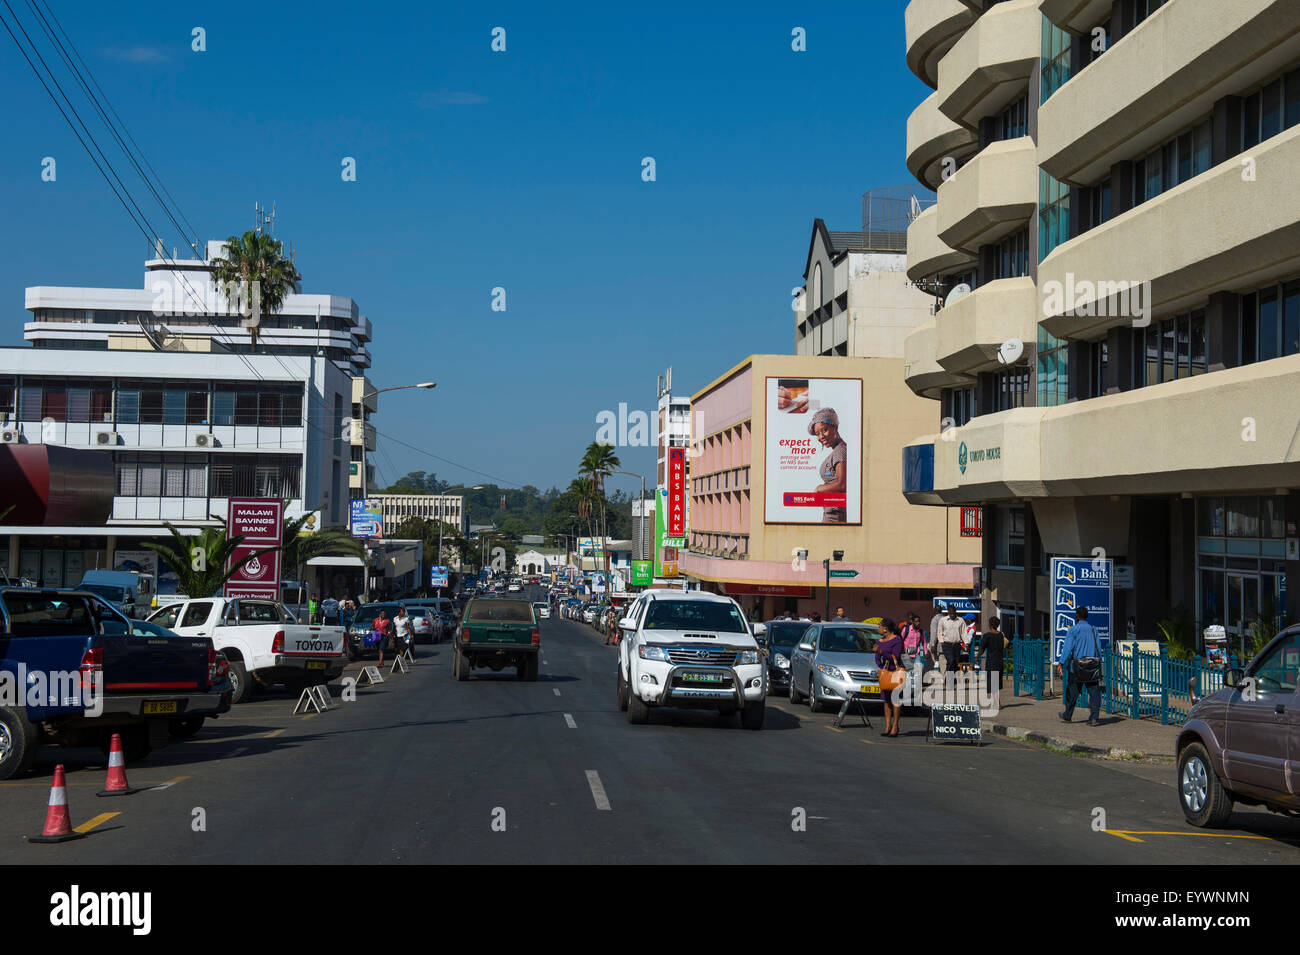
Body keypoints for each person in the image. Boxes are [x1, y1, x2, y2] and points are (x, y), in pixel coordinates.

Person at [1058, 606, 1103, 725]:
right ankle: (1094, 717)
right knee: (1094, 692)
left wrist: (1061, 662)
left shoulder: (1073, 630)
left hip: (1077, 666)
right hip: (1092, 666)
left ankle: (1068, 715)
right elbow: (1099, 649)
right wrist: (1099, 665)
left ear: (1077, 616)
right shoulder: (1094, 629)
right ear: (1087, 616)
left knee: (1072, 691)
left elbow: (1068, 648)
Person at [808, 407, 848, 524]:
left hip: (835, 515)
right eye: (817, 434)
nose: (821, 437)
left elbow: (842, 485)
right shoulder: (838, 451)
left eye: (824, 430)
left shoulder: (840, 450)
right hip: (831, 512)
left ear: (835, 427)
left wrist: (819, 489)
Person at [876, 618, 905, 737]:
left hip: (896, 671)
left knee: (895, 699)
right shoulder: (880, 641)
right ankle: (887, 725)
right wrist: (881, 666)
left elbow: (896, 656)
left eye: (879, 627)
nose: (878, 629)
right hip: (886, 672)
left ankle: (895, 726)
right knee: (886, 699)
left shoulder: (897, 640)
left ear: (885, 629)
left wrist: (881, 651)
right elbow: (877, 658)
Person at [980, 616, 1007, 702]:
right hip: (999, 661)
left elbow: (982, 649)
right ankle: (996, 700)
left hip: (991, 662)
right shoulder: (1001, 635)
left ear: (990, 625)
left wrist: (977, 657)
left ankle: (996, 701)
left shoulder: (987, 636)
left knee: (992, 683)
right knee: (996, 682)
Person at [935, 604, 966, 674]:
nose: (952, 615)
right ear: (948, 612)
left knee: (956, 662)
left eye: (953, 613)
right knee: (951, 660)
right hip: (947, 644)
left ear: (956, 612)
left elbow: (963, 633)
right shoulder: (943, 620)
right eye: (951, 613)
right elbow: (939, 632)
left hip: (957, 644)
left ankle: (953, 678)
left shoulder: (960, 620)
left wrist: (966, 643)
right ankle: (949, 679)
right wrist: (942, 642)